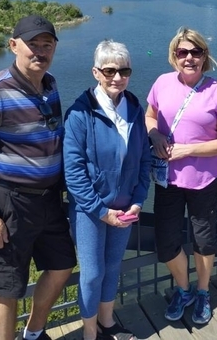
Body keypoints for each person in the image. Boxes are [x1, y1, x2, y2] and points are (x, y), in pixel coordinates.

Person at [0, 15, 76, 340]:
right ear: (13, 46)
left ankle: (34, 333)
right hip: (10, 203)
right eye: (32, 45)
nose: (39, 51)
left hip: (49, 199)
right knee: (6, 286)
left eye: (46, 45)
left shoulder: (49, 85)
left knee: (63, 265)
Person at [146, 27, 217, 325]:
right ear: (174, 56)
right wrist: (155, 134)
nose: (189, 58)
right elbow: (149, 116)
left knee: (204, 240)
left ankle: (202, 292)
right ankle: (183, 290)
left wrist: (187, 151)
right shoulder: (162, 83)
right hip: (168, 181)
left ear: (204, 57)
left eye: (195, 52)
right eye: (182, 52)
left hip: (204, 181)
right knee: (167, 241)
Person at [64, 40, 151, 340]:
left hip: (125, 206)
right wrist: (101, 211)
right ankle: (90, 333)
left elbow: (144, 158)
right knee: (91, 275)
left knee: (113, 267)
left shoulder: (135, 107)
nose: (118, 77)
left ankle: (107, 322)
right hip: (90, 210)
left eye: (124, 70)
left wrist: (138, 199)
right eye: (110, 70)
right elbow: (73, 172)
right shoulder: (80, 113)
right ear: (96, 72)